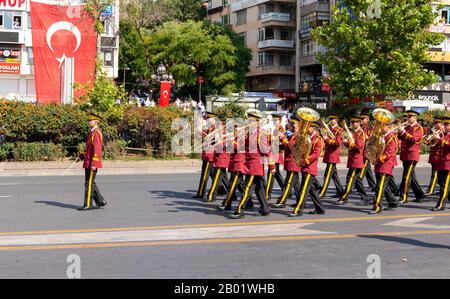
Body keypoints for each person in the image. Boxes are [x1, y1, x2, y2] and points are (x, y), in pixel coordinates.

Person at [231, 110, 275, 219]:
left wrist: (272, 166)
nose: (248, 122)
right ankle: (265, 209)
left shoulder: (261, 134)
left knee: (247, 188)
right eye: (248, 120)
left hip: (255, 165)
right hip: (249, 163)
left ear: (256, 122)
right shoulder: (249, 133)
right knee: (259, 189)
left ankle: (239, 210)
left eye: (250, 121)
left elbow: (267, 151)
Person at [290, 121, 325, 217]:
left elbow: (315, 155)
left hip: (310, 168)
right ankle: (320, 208)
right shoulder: (308, 138)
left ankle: (298, 210)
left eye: (308, 127)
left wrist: (304, 161)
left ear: (313, 128)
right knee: (312, 190)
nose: (306, 129)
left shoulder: (318, 140)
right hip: (306, 168)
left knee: (303, 190)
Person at [78, 113, 107, 211]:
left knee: (89, 183)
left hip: (92, 163)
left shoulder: (97, 133)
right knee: (90, 182)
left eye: (90, 120)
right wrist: (82, 156)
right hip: (88, 161)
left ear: (96, 122)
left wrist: (94, 163)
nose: (89, 121)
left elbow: (97, 149)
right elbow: (89, 148)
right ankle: (100, 201)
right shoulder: (92, 132)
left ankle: (88, 204)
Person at [338, 117, 369, 205]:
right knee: (357, 180)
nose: (352, 123)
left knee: (350, 179)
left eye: (354, 122)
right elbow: (351, 144)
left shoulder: (360, 133)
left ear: (358, 123)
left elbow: (359, 147)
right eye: (352, 122)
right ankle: (366, 198)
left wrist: (348, 143)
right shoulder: (354, 132)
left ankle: (344, 197)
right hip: (353, 159)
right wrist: (345, 142)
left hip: (357, 160)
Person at [370, 123, 399, 214]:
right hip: (380, 164)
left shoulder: (391, 137)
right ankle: (392, 202)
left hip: (385, 165)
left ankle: (377, 206)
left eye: (382, 126)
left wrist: (376, 160)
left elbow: (388, 154)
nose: (380, 128)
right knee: (384, 186)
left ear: (388, 127)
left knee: (380, 187)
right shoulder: (382, 137)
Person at [273, 115, 301, 208]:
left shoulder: (298, 135)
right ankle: (300, 201)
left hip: (293, 161)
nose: (288, 125)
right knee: (296, 185)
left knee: (288, 183)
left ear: (295, 125)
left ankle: (282, 201)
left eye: (290, 123)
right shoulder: (293, 134)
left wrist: (283, 138)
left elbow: (292, 147)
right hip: (290, 161)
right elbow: (286, 146)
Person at [398, 110, 426, 203]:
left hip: (412, 155)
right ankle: (420, 194)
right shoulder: (408, 127)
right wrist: (400, 130)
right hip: (405, 154)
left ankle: (404, 197)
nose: (408, 118)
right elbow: (401, 138)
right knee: (411, 176)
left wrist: (404, 131)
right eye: (408, 117)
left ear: (415, 118)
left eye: (410, 117)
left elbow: (414, 139)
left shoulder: (418, 128)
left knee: (406, 176)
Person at [192, 112, 217, 199]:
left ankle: (201, 192)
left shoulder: (216, 129)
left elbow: (211, 140)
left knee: (205, 175)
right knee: (217, 175)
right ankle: (226, 191)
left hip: (210, 155)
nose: (207, 121)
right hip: (207, 154)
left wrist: (202, 132)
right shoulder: (210, 128)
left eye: (209, 119)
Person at [319, 115, 344, 198]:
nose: (330, 120)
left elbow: (337, 143)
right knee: (334, 175)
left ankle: (323, 192)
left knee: (327, 175)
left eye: (332, 119)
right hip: (329, 153)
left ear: (336, 120)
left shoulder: (339, 130)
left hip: (333, 154)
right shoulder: (329, 129)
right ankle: (340, 192)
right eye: (330, 119)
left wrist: (327, 139)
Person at [431, 116, 450, 211]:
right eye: (444, 124)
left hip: (448, 163)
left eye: (447, 124)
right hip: (440, 162)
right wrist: (434, 138)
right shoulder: (443, 134)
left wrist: (440, 139)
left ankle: (440, 204)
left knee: (444, 185)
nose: (445, 126)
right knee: (441, 182)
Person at [265, 112, 285, 201]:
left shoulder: (281, 130)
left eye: (275, 120)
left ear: (280, 121)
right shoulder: (276, 129)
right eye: (273, 120)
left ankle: (267, 194)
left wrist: (268, 136)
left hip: (276, 154)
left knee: (271, 173)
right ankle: (285, 190)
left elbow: (278, 142)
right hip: (274, 153)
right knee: (276, 174)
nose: (274, 122)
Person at [424, 117, 444, 196]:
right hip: (433, 155)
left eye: (436, 123)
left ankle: (431, 190)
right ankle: (441, 189)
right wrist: (430, 138)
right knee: (438, 175)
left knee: (435, 174)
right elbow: (429, 142)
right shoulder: (434, 131)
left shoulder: (442, 132)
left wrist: (437, 137)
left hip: (439, 155)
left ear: (441, 124)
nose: (435, 125)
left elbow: (442, 143)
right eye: (435, 123)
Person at [359, 113, 377, 191]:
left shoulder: (370, 128)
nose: (361, 121)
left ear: (367, 120)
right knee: (367, 169)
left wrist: (362, 133)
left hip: (367, 151)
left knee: (362, 169)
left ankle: (356, 184)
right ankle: (372, 185)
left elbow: (371, 139)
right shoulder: (361, 127)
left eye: (363, 119)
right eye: (361, 119)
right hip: (362, 150)